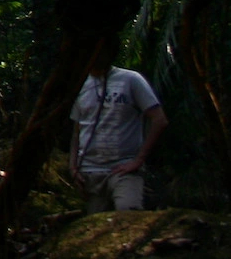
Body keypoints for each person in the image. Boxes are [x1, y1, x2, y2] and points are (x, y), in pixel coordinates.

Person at [69, 33, 168, 213]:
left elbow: (159, 120)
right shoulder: (81, 85)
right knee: (94, 226)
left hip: (124, 169)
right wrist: (73, 167)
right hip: (90, 172)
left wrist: (138, 160)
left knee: (127, 214)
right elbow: (77, 130)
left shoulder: (130, 80)